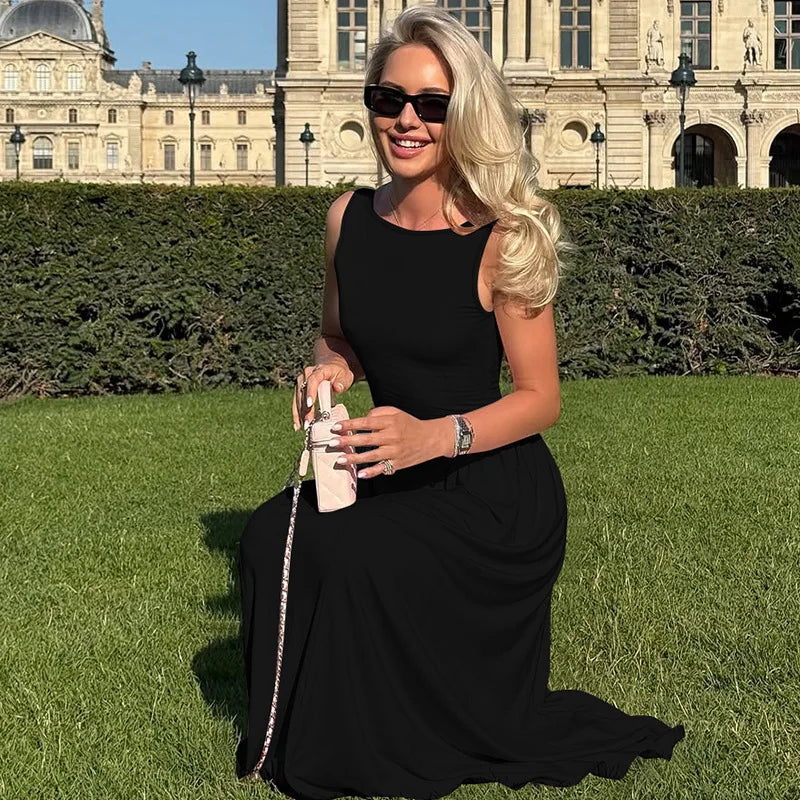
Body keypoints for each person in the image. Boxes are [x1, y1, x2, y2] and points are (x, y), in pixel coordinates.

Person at [236, 6, 685, 798]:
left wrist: (436, 439)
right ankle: (310, 724)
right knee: (274, 531)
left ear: (464, 112)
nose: (405, 121)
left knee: (350, 555)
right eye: (388, 99)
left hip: (492, 488)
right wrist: (327, 373)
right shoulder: (348, 219)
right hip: (394, 458)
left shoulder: (504, 234)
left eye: (431, 105)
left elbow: (542, 399)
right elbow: (338, 335)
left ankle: (382, 736)